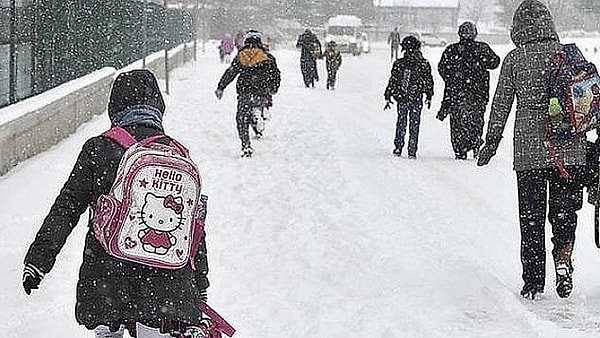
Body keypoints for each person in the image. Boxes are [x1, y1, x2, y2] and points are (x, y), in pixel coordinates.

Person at [22, 69, 210, 337]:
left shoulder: (99, 149)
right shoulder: (177, 155)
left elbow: (67, 207)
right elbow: (194, 228)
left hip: (107, 278)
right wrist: (200, 281)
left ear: (115, 106)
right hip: (165, 285)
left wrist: (38, 260)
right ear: (158, 107)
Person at [477, 0, 587, 300]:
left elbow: (501, 103)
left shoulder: (515, 59)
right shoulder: (567, 54)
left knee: (532, 218)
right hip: (570, 149)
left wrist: (491, 141)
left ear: (518, 26)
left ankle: (533, 282)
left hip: (529, 153)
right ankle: (563, 259)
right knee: (564, 213)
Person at [437, 21, 500, 160]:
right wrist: (480, 63)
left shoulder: (452, 50)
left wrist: (452, 78)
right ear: (475, 34)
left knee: (457, 122)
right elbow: (495, 62)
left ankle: (460, 149)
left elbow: (442, 68)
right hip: (478, 93)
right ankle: (475, 142)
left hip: (456, 93)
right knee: (476, 120)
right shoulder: (482, 48)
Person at [215, 30, 281, 157]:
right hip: (261, 92)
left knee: (242, 119)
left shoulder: (241, 56)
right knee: (256, 109)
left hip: (245, 92)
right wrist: (273, 88)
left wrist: (221, 87)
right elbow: (276, 75)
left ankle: (246, 145)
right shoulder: (268, 57)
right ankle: (259, 118)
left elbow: (231, 73)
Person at [384, 35, 434, 159]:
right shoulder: (423, 63)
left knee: (401, 122)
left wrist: (388, 94)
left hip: (402, 97)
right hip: (416, 97)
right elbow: (429, 81)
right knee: (414, 124)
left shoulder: (400, 63)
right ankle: (412, 149)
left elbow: (393, 80)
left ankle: (398, 146)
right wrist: (429, 94)